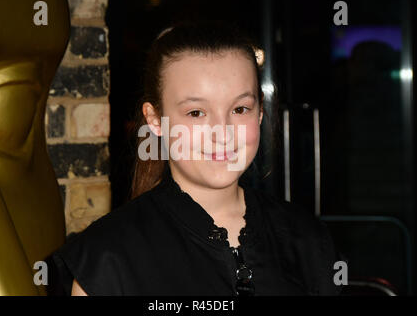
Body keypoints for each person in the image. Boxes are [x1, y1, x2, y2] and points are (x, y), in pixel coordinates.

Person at [52, 20, 343, 296]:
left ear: (260, 113)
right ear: (156, 120)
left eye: (240, 109)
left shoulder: (307, 240)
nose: (222, 132)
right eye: (196, 113)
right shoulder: (108, 255)